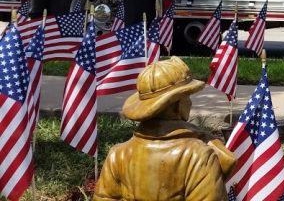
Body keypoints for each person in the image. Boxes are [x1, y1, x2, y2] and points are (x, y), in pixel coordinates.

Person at [95, 57, 235, 200]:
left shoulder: (118, 154)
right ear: (176, 105)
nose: (190, 102)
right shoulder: (198, 156)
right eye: (187, 96)